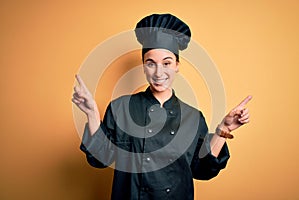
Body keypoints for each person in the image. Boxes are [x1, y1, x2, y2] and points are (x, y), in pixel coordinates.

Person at [72, 13, 252, 200]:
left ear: (177, 65)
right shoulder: (120, 108)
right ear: (143, 66)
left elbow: (203, 170)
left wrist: (223, 130)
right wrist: (92, 114)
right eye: (151, 63)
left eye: (167, 63)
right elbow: (100, 159)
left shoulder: (192, 117)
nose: (159, 72)